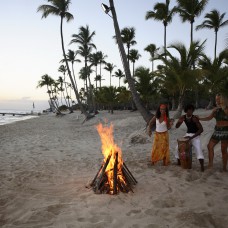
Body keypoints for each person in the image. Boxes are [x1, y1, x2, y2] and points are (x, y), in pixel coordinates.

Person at [198, 93, 228, 171]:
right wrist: (199, 118)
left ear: (223, 99)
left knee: (223, 149)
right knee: (209, 146)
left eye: (218, 99)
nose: (217, 101)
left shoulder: (227, 109)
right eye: (216, 99)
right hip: (217, 130)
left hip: (226, 131)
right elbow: (209, 118)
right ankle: (210, 164)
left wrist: (223, 107)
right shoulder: (216, 110)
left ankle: (224, 167)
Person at [175, 104, 204, 172]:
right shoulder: (183, 117)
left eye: (191, 110)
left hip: (195, 135)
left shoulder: (194, 118)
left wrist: (191, 137)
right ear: (186, 111)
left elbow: (201, 130)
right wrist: (179, 122)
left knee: (198, 148)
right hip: (188, 134)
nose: (190, 111)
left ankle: (202, 166)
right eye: (189, 110)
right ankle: (179, 162)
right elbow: (176, 126)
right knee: (178, 147)